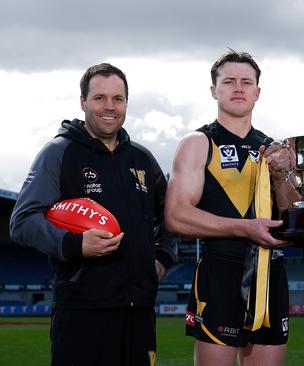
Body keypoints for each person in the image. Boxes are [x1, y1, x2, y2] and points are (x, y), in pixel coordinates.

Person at [9, 63, 178, 365]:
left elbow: (171, 214)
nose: (109, 107)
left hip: (139, 312)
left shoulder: (142, 158)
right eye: (99, 98)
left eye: (118, 98)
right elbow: (22, 221)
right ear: (83, 101)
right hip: (82, 312)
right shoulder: (59, 153)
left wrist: (164, 256)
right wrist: (75, 245)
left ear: (126, 102)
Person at [165, 50, 298, 366]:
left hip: (270, 272)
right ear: (214, 90)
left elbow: (295, 221)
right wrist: (243, 228)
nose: (238, 88)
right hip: (220, 272)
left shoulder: (276, 149)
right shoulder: (198, 143)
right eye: (229, 81)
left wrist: (281, 177)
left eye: (246, 82)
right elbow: (175, 215)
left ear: (257, 93)